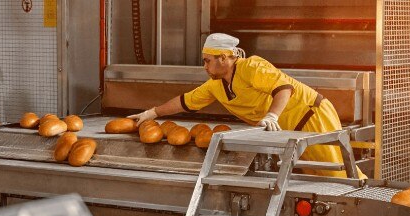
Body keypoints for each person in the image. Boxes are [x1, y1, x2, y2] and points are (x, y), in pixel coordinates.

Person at [127, 33, 363, 178]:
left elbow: (283, 89)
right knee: (315, 178)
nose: (205, 67)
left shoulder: (251, 67)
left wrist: (271, 116)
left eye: (208, 61)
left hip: (311, 116)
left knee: (338, 173)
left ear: (224, 58)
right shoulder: (215, 85)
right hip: (291, 131)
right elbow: (184, 102)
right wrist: (152, 113)